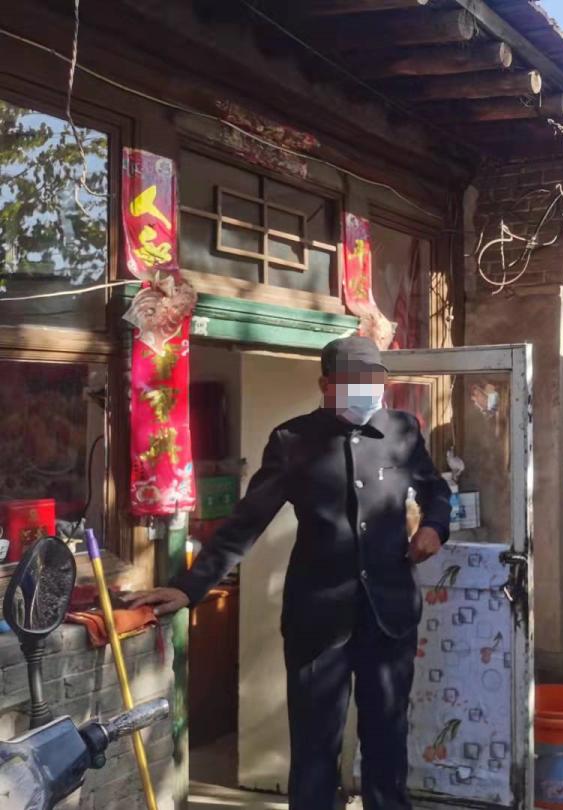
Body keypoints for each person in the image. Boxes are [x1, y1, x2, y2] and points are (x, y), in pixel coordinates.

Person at [132, 335, 451, 810]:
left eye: (373, 380)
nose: (365, 389)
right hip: (317, 621)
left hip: (389, 615)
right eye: (352, 380)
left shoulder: (402, 430)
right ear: (326, 384)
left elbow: (436, 490)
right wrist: (190, 586)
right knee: (315, 750)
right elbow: (247, 522)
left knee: (387, 741)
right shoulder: (293, 440)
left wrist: (434, 527)